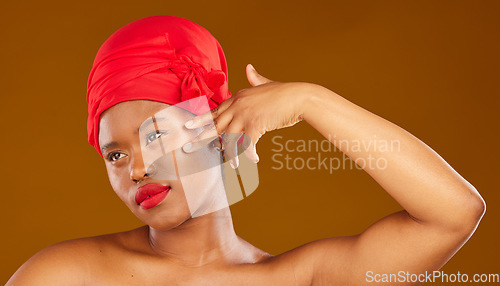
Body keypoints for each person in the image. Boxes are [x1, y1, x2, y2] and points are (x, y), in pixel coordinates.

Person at [7, 15, 485, 285]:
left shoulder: (301, 279)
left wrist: (308, 99)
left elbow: (453, 213)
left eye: (157, 135)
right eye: (114, 154)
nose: (136, 168)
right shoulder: (65, 277)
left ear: (219, 127)